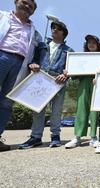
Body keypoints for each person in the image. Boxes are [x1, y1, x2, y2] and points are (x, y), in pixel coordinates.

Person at [18, 20, 74, 149]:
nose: (55, 30)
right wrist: (32, 64)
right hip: (41, 78)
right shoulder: (42, 46)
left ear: (64, 34)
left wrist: (66, 75)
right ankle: (36, 136)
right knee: (37, 108)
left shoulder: (69, 50)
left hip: (58, 81)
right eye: (53, 27)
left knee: (56, 110)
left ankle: (55, 136)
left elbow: (71, 68)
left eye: (58, 28)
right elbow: (32, 59)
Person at [0, 0, 39, 152]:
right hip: (2, 55)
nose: (27, 6)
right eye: (25, 2)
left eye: (31, 6)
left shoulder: (33, 29)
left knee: (6, 102)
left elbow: (38, 50)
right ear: (16, 2)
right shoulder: (3, 16)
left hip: (20, 63)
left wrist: (34, 63)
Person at [65, 35, 100, 149]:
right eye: (89, 42)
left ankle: (93, 137)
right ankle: (77, 137)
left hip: (96, 84)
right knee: (81, 108)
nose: (91, 44)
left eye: (94, 43)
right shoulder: (80, 58)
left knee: (94, 110)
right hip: (83, 83)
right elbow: (74, 75)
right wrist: (69, 70)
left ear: (98, 46)